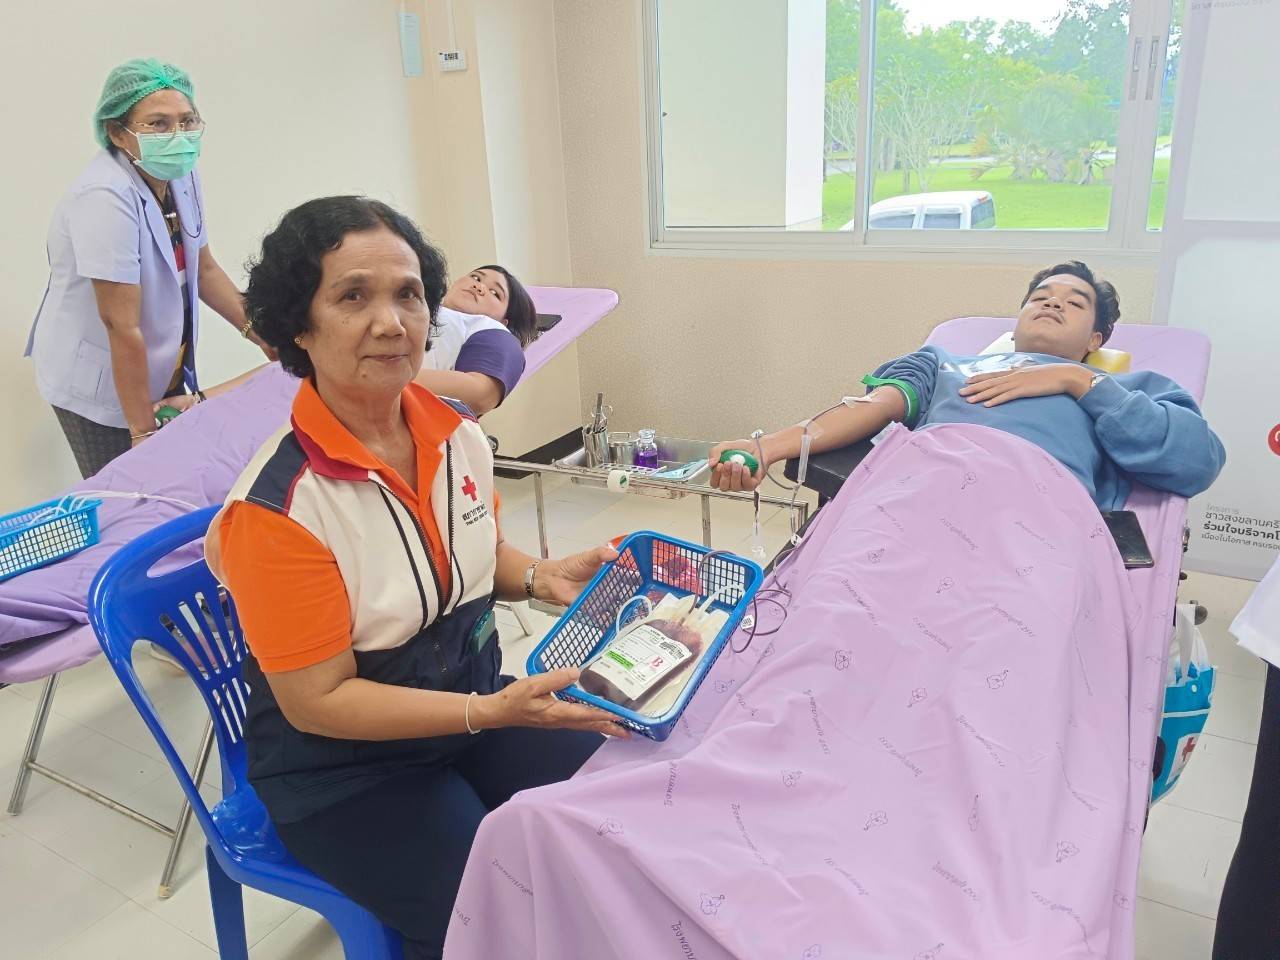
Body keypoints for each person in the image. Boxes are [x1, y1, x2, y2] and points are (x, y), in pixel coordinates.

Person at [206, 196, 626, 960]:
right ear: (299, 326)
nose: (392, 322)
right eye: (352, 296)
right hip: (345, 773)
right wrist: (487, 712)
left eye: (407, 294)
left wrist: (541, 576)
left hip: (469, 714)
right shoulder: (279, 510)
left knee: (615, 805)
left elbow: (471, 555)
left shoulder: (457, 434)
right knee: (495, 911)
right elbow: (319, 701)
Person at [709, 261, 1225, 511]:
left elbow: (1197, 461)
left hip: (1036, 516)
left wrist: (1077, 379)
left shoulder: (1124, 389)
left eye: (1074, 302)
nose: (1052, 302)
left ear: (1096, 338)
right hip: (918, 497)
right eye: (1040, 297)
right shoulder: (945, 363)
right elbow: (872, 406)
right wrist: (766, 447)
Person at [24, 58, 270, 478]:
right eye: (158, 124)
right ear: (117, 132)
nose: (178, 136)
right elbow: (120, 324)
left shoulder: (179, 174)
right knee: (125, 492)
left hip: (159, 361)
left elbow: (204, 269)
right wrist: (141, 432)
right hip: (102, 380)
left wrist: (262, 334)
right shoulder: (103, 196)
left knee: (172, 480)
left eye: (187, 120)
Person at [155, 263, 536, 418]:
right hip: (307, 392)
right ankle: (196, 405)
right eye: (476, 276)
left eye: (495, 292)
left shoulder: (489, 332)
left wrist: (353, 372)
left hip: (362, 409)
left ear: (505, 318)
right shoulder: (410, 304)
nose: (479, 285)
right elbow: (288, 368)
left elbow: (479, 392)